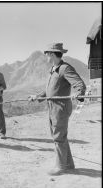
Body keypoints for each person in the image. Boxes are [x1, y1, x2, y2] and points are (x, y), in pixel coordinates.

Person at [28, 43, 86, 176]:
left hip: (60, 108)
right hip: (52, 107)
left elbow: (79, 83)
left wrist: (79, 92)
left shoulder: (65, 68)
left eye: (47, 53)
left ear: (53, 54)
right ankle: (69, 164)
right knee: (60, 137)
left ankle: (61, 167)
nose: (46, 56)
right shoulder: (53, 69)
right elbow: (49, 90)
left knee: (59, 137)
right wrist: (37, 96)